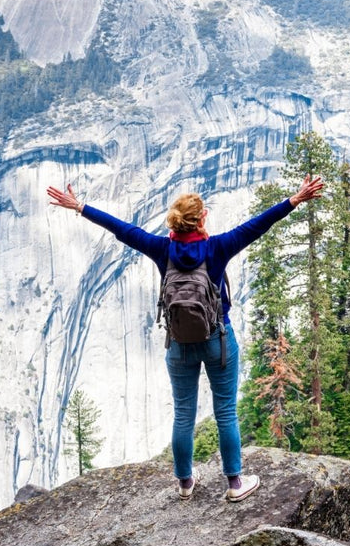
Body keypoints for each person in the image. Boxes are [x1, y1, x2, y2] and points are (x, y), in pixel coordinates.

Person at [46, 174, 324, 502]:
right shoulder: (218, 247)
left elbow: (122, 229)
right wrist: (294, 199)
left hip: (179, 344)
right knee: (225, 411)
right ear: (202, 219)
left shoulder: (161, 249)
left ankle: (185, 483)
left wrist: (80, 206)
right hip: (218, 340)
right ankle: (235, 484)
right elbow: (257, 225)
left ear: (174, 222)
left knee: (183, 413)